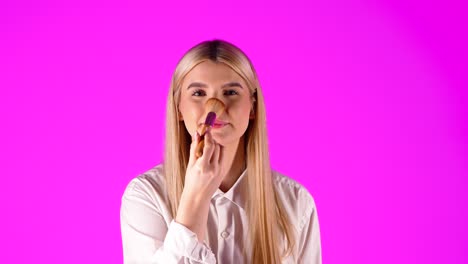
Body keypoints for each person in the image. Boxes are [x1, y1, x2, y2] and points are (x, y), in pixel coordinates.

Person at [120, 40, 322, 264]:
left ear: (252, 107)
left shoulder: (296, 203)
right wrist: (194, 200)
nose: (214, 105)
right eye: (198, 93)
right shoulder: (146, 194)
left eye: (231, 92)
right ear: (179, 108)